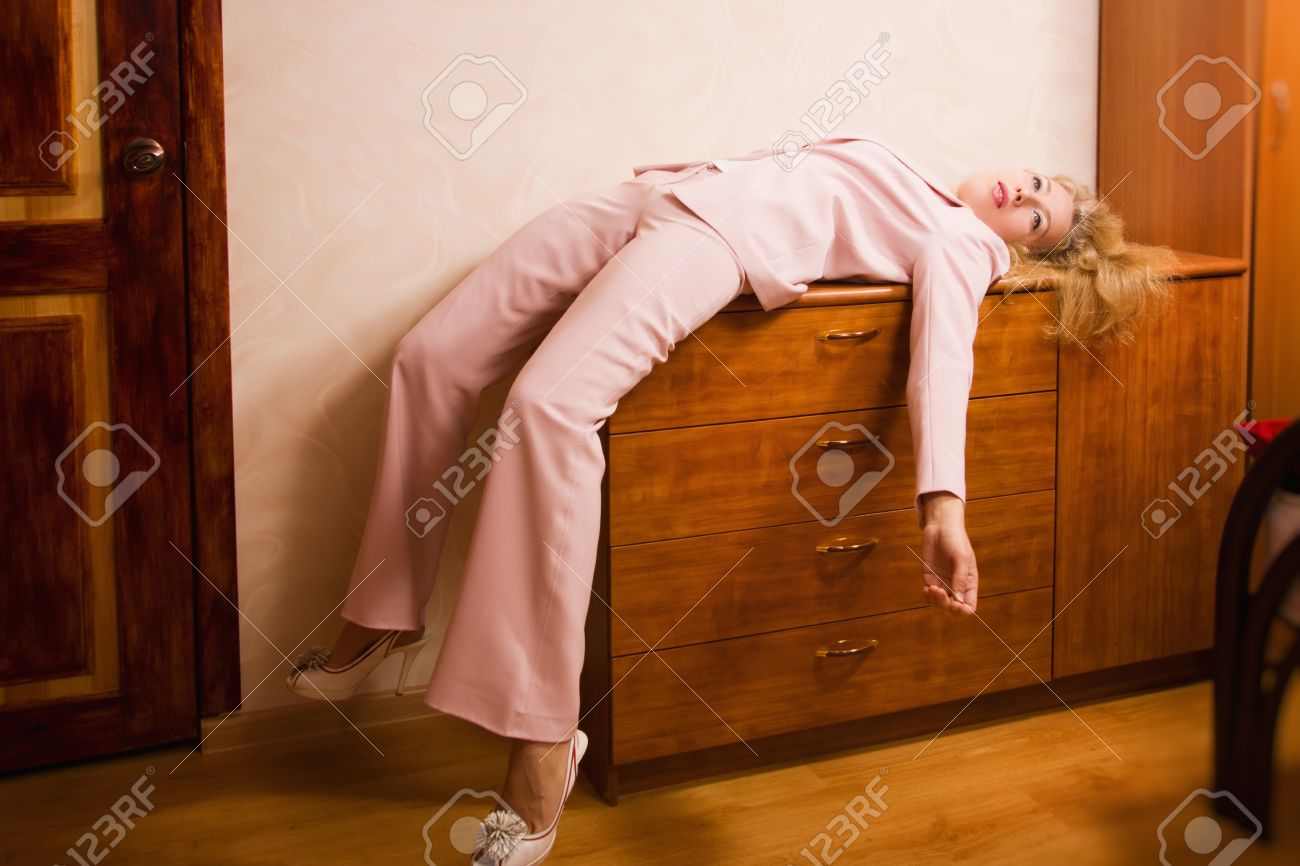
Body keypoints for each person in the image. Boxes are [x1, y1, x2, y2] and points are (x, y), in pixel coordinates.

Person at [284, 133, 1178, 865]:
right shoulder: (922, 173)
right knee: (432, 355)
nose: (1023, 194)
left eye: (1037, 217)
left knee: (547, 407)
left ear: (1018, 246)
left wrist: (942, 502)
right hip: (658, 197)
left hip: (716, 241)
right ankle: (386, 608)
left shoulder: (965, 241)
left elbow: (946, 353)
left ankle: (544, 738)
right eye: (1037, 182)